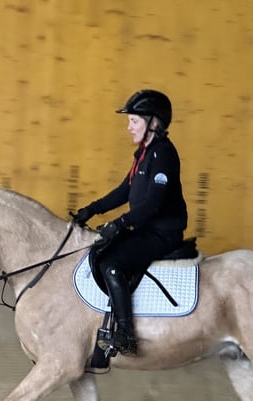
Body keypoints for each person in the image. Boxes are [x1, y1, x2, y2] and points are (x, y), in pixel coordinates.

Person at [72, 89, 188, 356]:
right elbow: (126, 190)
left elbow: (153, 204)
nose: (129, 127)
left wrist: (119, 224)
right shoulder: (143, 155)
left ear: (153, 123)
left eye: (134, 121)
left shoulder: (164, 154)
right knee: (100, 253)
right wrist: (91, 210)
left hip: (162, 233)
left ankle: (125, 334)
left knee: (112, 264)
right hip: (145, 229)